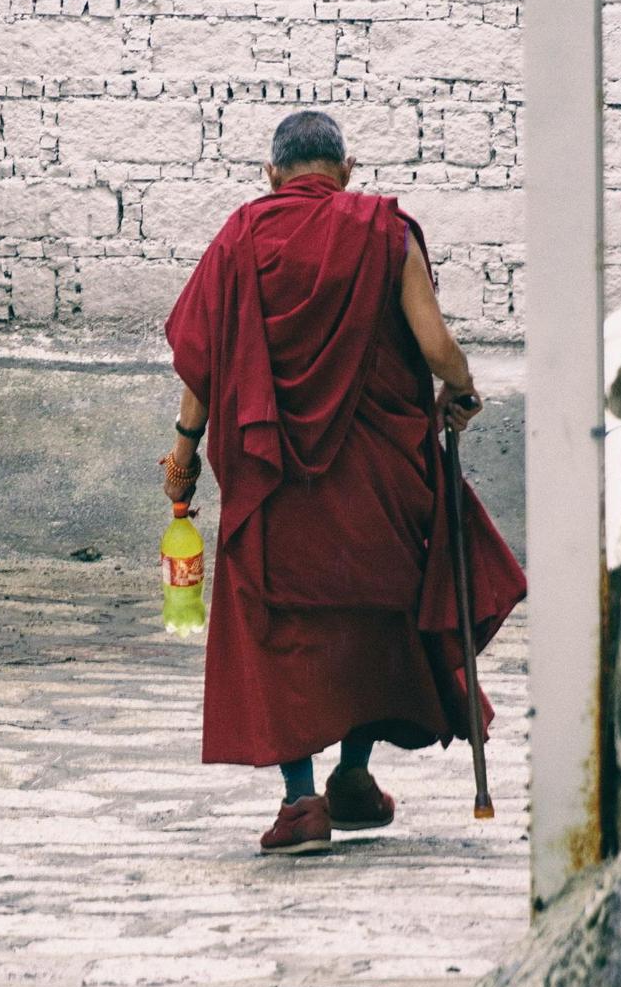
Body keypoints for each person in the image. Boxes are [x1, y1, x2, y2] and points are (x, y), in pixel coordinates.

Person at [162, 110, 526, 856]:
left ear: (272, 175)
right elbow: (437, 345)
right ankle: (353, 776)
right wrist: (461, 389)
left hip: (274, 481)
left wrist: (184, 452)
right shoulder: (384, 232)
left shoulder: (239, 238)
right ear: (348, 170)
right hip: (376, 476)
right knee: (374, 619)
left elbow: (205, 360)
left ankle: (303, 801)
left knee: (282, 631)